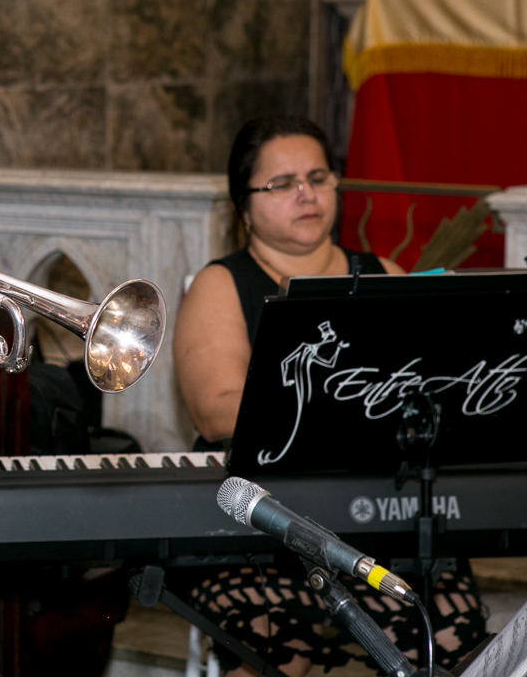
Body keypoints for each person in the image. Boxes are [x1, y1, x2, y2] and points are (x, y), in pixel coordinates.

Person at [172, 117, 485, 676]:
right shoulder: (222, 283)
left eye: (318, 177)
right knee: (285, 649)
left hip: (379, 519)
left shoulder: (383, 274)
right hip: (265, 531)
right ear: (242, 204)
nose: (306, 194)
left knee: (452, 633)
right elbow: (217, 410)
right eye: (282, 183)